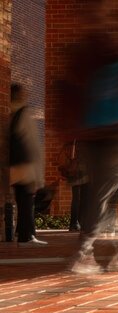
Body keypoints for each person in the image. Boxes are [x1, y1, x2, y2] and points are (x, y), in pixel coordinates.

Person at [64, 0, 118, 274]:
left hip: (98, 134)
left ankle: (92, 251)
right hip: (114, 135)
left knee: (101, 194)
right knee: (107, 193)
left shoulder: (85, 53)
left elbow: (70, 95)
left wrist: (70, 133)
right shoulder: (117, 53)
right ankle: (113, 250)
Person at [9, 84, 46, 246]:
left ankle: (22, 232)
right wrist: (39, 174)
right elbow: (33, 145)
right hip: (27, 166)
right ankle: (27, 236)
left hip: (14, 167)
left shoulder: (11, 115)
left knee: (21, 199)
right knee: (27, 200)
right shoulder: (24, 114)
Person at [59, 140, 86, 231]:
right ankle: (77, 223)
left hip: (73, 172)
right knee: (81, 199)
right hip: (81, 172)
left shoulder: (70, 140)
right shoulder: (82, 139)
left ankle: (74, 223)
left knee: (77, 199)